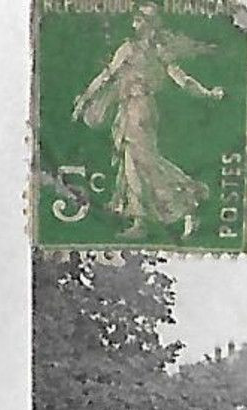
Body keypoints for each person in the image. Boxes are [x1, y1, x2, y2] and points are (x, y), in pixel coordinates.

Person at [71, 3, 225, 238]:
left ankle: (183, 200)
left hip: (137, 110)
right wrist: (207, 92)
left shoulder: (132, 50)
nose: (135, 22)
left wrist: (206, 93)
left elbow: (107, 77)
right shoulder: (153, 50)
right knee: (138, 162)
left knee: (141, 162)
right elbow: (181, 79)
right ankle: (155, 216)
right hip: (137, 109)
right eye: (136, 18)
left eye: (140, 19)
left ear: (148, 25)